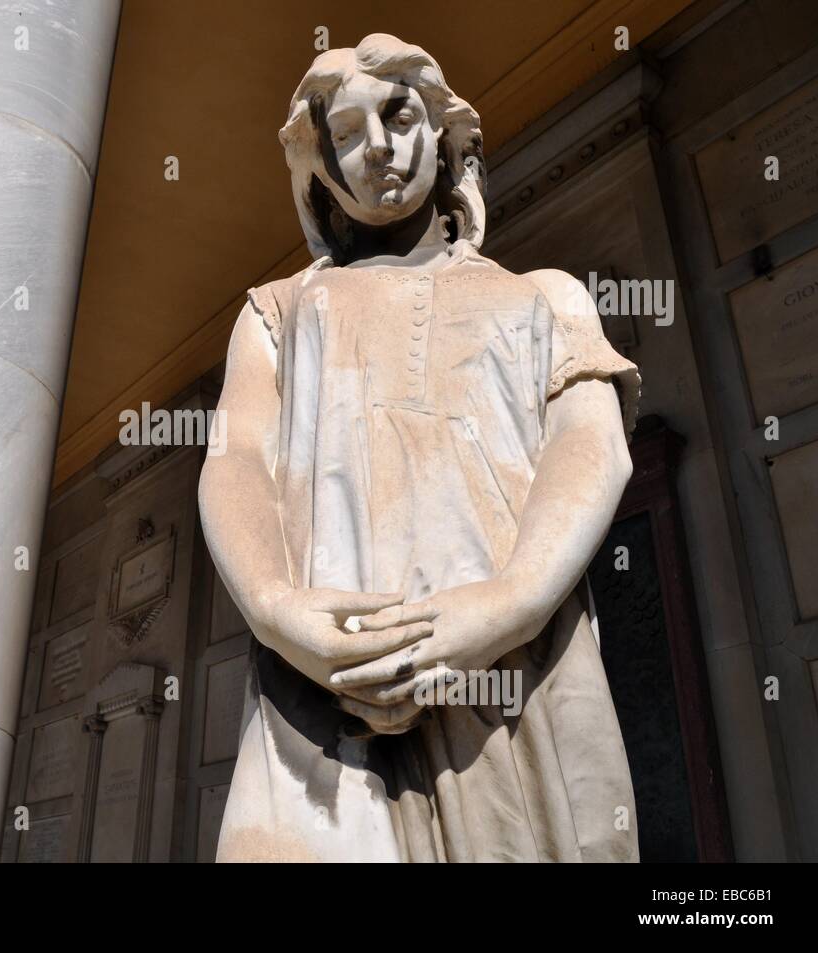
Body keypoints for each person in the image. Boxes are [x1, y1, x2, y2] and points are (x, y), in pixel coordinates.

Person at [199, 34, 641, 862]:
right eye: (348, 135)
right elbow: (236, 460)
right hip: (324, 688)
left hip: (512, 670)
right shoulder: (278, 312)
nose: (380, 149)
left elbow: (592, 447)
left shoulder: (545, 298)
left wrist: (506, 602)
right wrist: (277, 607)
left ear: (443, 131)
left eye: (399, 115)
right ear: (324, 168)